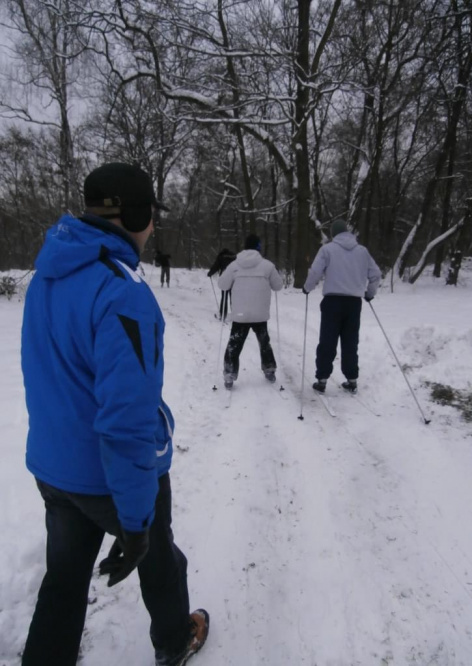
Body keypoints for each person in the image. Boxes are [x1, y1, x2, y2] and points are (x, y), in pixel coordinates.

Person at [20, 162, 209, 666]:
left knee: (63, 581)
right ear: (138, 215)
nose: (153, 229)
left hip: (53, 468)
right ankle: (174, 641)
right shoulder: (124, 292)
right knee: (160, 560)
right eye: (150, 217)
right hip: (106, 477)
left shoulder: (48, 273)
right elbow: (127, 421)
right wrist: (135, 520)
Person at [303, 219, 381, 395]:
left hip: (332, 302)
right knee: (350, 341)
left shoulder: (327, 249)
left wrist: (307, 288)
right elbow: (375, 274)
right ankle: (352, 379)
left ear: (333, 234)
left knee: (327, 341)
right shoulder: (362, 251)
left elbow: (315, 271)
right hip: (354, 303)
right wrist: (370, 293)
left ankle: (322, 379)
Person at [218, 234, 283, 389]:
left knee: (234, 343)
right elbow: (278, 286)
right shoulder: (267, 266)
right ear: (258, 247)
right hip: (260, 314)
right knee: (264, 342)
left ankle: (229, 374)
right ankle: (269, 369)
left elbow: (222, 285)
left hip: (240, 314)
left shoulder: (234, 265)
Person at [207, 248, 236, 320]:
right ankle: (235, 315)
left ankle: (223, 315)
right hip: (234, 278)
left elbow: (216, 266)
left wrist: (210, 273)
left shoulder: (221, 257)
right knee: (233, 297)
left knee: (224, 297)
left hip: (225, 277)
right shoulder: (234, 257)